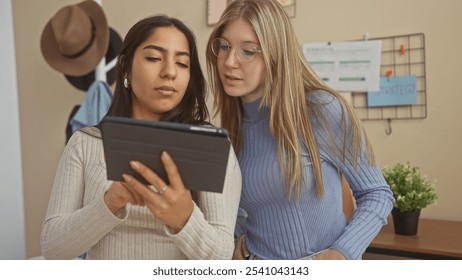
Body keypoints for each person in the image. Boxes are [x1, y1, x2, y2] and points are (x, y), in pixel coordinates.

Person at [205, 0, 394, 260]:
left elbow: (377, 194)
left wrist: (342, 253)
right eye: (224, 47)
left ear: (275, 54)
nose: (229, 62)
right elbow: (247, 206)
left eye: (247, 51)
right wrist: (239, 239)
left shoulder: (321, 110)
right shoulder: (232, 127)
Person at [41, 15, 241, 260]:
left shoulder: (209, 146)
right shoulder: (84, 143)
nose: (169, 72)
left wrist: (184, 219)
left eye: (182, 63)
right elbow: (52, 248)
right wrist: (109, 203)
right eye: (154, 58)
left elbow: (222, 258)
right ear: (125, 67)